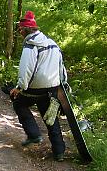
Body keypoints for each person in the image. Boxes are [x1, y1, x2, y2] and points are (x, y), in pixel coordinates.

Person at [9, 10, 67, 162]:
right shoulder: (52, 43)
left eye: (20, 29)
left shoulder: (30, 45)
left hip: (35, 88)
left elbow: (26, 69)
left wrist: (19, 87)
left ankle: (34, 135)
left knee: (19, 104)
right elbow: (61, 66)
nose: (20, 32)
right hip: (52, 87)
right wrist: (63, 83)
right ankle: (59, 151)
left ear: (26, 30)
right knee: (50, 117)